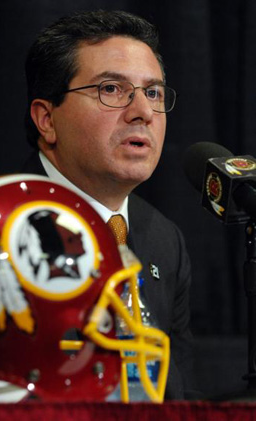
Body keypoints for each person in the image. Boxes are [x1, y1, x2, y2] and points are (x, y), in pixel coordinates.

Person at [22, 10, 198, 400]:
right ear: (46, 119)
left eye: (152, 92)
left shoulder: (165, 241)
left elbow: (178, 397)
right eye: (112, 89)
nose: (144, 113)